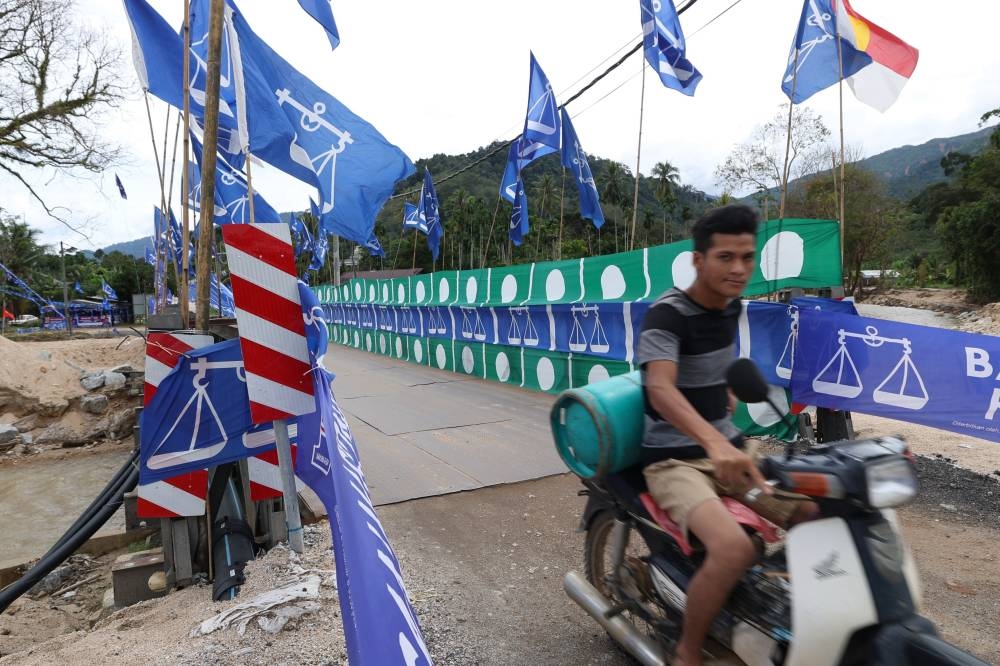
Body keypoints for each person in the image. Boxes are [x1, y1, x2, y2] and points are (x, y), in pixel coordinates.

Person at [635, 204, 814, 666]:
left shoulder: (731, 306)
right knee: (734, 547)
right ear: (699, 260)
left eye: (747, 257)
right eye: (725, 258)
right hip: (674, 460)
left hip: (729, 453)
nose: (739, 269)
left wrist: (727, 396)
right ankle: (687, 652)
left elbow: (721, 362)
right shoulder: (666, 315)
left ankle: (767, 613)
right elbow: (659, 388)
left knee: (814, 513)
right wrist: (712, 442)